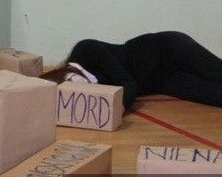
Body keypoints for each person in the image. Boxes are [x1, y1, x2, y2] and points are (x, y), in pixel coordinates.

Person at [41, 31, 222, 110]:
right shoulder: (87, 93)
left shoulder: (86, 49)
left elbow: (129, 85)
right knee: (215, 96)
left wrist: (111, 111)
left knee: (217, 72)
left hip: (167, 50)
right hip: (163, 80)